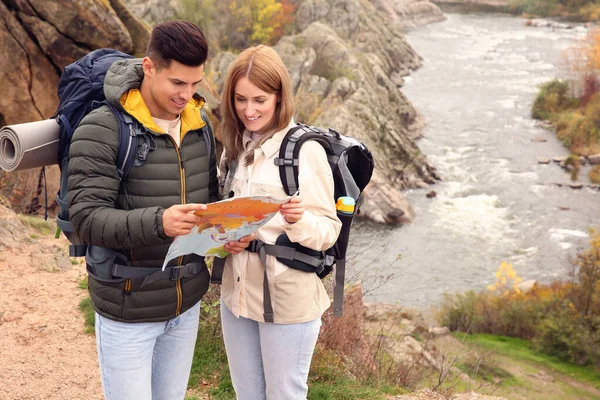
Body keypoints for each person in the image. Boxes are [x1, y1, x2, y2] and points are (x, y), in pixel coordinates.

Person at [67, 20, 251, 400]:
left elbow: (208, 202)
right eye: (177, 83)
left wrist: (225, 236)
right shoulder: (102, 129)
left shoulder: (199, 125)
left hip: (185, 304)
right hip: (127, 307)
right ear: (149, 67)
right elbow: (86, 219)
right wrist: (159, 222)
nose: (187, 95)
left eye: (195, 84)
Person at [218, 45, 342, 399]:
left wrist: (298, 220)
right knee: (247, 394)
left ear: (278, 97)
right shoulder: (235, 146)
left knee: (284, 394)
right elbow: (227, 213)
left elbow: (328, 231)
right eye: (240, 99)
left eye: (259, 100)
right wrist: (228, 236)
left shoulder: (305, 151)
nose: (249, 110)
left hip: (288, 298)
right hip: (237, 294)